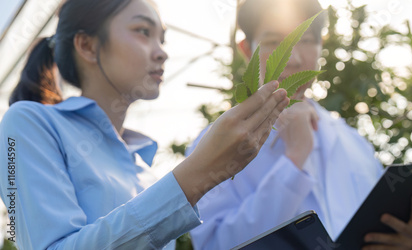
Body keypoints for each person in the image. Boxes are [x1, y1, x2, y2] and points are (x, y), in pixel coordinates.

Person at [0, 0, 290, 249]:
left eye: (162, 38)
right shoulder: (28, 124)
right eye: (143, 32)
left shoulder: (143, 166)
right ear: (87, 45)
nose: (161, 51)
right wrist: (200, 174)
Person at [186, 0, 412, 249]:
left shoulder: (355, 143)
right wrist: (294, 159)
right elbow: (215, 244)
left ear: (321, 46)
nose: (292, 59)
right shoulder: (213, 146)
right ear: (246, 50)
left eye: (306, 41)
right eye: (274, 43)